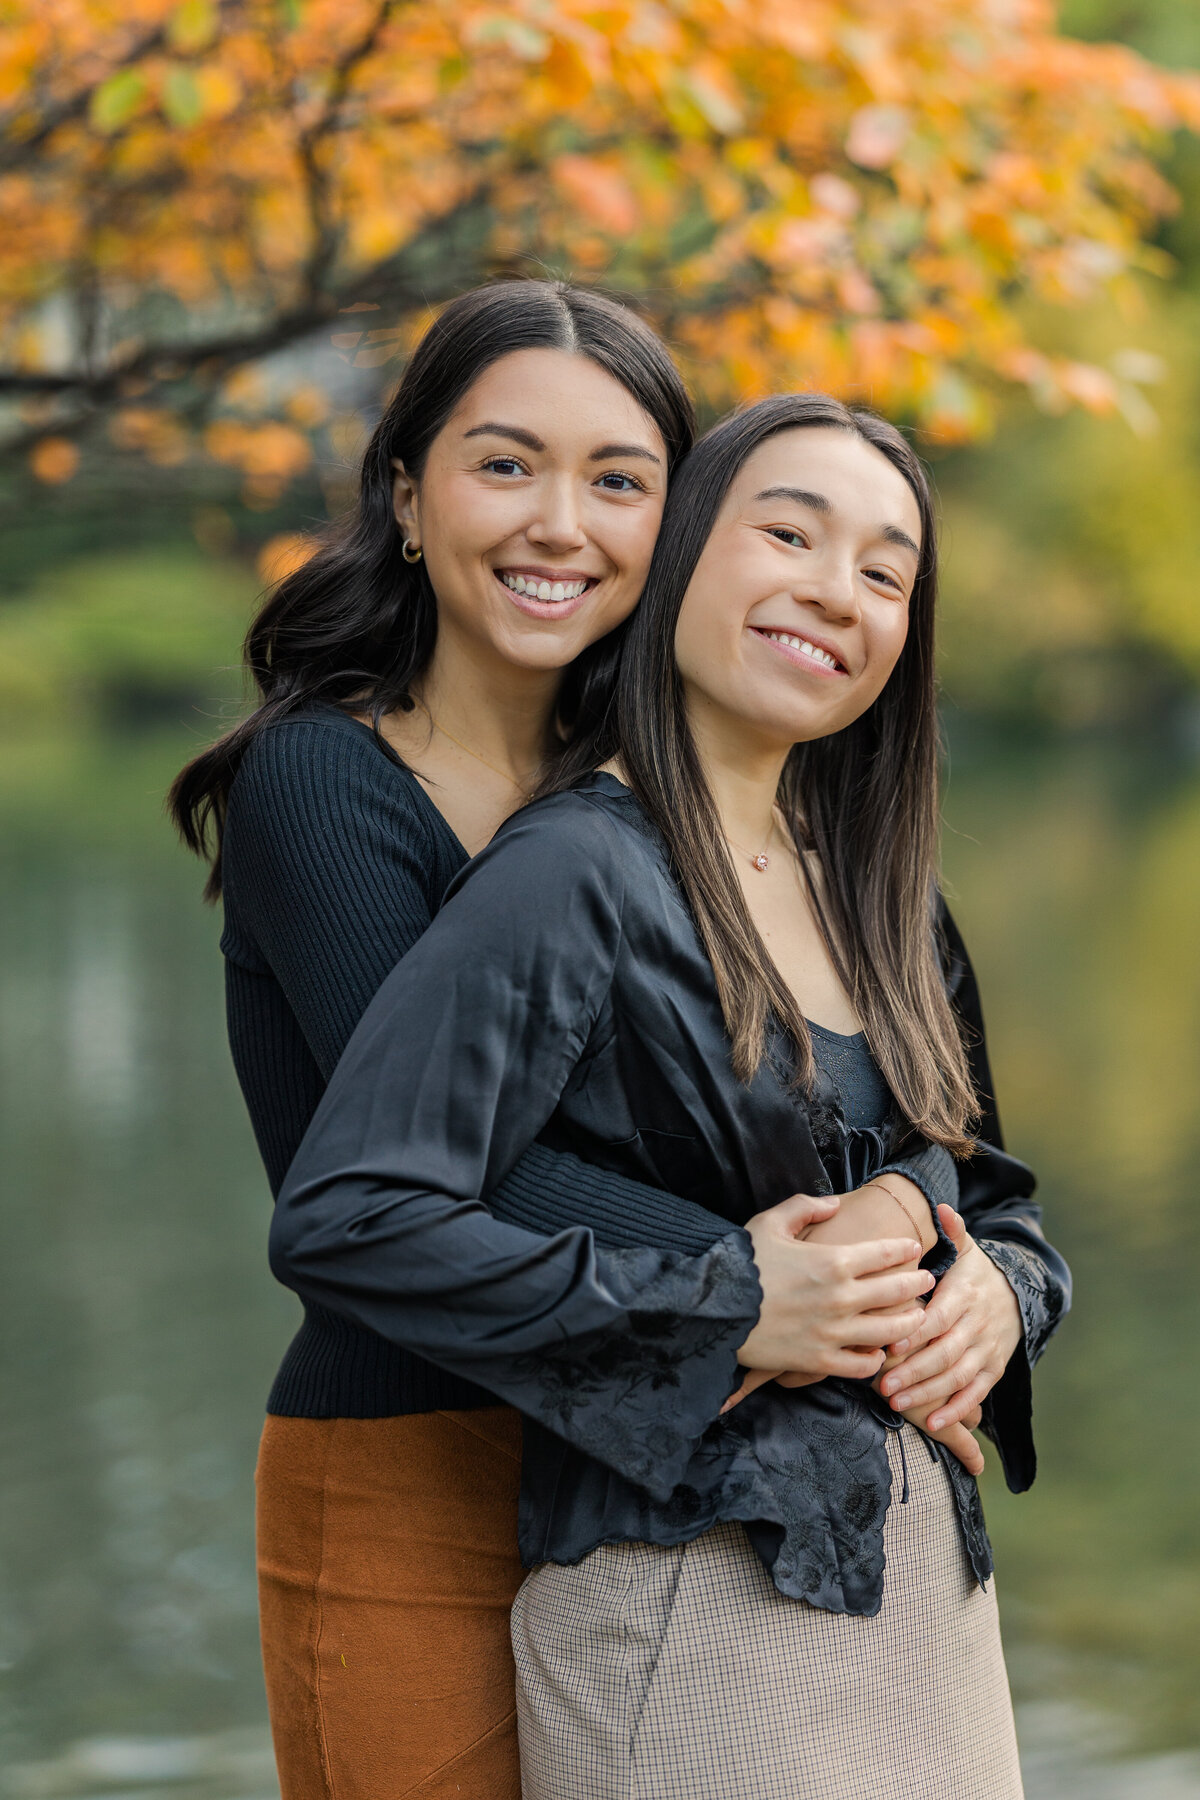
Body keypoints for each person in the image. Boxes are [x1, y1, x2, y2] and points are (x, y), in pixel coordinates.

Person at [170, 287, 948, 1800]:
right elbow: (469, 1171)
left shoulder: (671, 795)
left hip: (657, 1471)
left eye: (620, 481)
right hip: (418, 1453)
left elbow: (855, 1095)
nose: (561, 527)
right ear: (407, 492)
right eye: (504, 465)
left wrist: (928, 1232)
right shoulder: (323, 783)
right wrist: (773, 1284)